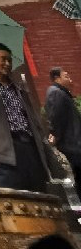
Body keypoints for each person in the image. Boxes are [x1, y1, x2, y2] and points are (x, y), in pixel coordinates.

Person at [0, 42, 48, 192]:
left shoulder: (16, 82)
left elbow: (30, 114)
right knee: (15, 197)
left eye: (9, 60)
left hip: (30, 146)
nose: (7, 64)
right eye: (3, 59)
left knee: (39, 193)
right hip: (5, 152)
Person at [45, 67, 81, 197]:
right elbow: (55, 117)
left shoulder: (61, 92)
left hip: (73, 142)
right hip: (72, 143)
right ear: (57, 78)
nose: (69, 78)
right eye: (65, 76)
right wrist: (55, 134)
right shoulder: (56, 93)